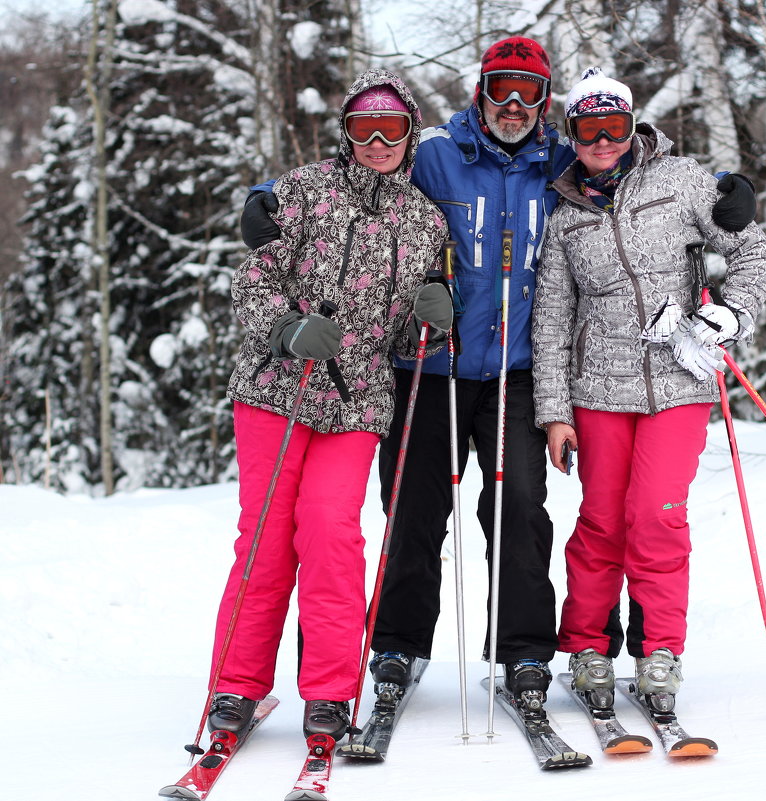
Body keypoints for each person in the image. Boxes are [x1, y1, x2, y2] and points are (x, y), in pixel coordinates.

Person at [240, 39, 759, 707]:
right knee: (414, 513)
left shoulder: (565, 160)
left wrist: (728, 192)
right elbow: (356, 177)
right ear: (479, 92)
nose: (513, 105)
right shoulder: (432, 154)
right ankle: (399, 643)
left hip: (517, 369)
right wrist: (265, 198)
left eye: (529, 93)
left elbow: (637, 162)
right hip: (428, 362)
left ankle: (523, 652)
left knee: (518, 511)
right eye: (500, 89)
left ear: (546, 103)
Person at [205, 67, 452, 740]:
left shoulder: (426, 222)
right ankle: (237, 685)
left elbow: (410, 337)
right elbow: (254, 277)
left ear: (409, 133)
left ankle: (328, 689)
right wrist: (286, 327)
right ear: (346, 133)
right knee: (263, 541)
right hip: (276, 390)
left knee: (331, 536)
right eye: (362, 128)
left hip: (358, 398)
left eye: (391, 128)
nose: (377, 142)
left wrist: (430, 322)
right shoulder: (303, 190)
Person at [531, 68, 766, 714]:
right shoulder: (564, 216)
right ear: (572, 134)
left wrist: (733, 313)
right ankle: (587, 647)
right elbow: (551, 317)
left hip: (678, 377)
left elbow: (749, 245)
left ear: (633, 126)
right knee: (603, 522)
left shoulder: (680, 180)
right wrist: (554, 412)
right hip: (598, 388)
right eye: (589, 129)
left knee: (657, 517)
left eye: (615, 127)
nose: (604, 141)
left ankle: (660, 650)